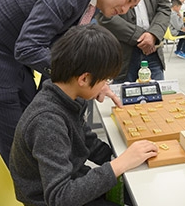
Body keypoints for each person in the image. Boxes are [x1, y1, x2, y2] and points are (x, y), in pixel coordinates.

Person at [0, 0, 144, 166]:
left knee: (33, 123)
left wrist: (90, 83)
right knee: (16, 145)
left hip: (11, 57)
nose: (125, 10)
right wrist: (81, 81)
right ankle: (32, 192)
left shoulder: (89, 3)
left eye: (132, 7)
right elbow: (28, 47)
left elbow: (56, 55)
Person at [9, 24, 158, 206]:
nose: (105, 85)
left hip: (73, 183)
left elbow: (86, 141)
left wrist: (123, 156)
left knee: (141, 189)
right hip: (52, 199)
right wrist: (119, 165)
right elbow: (60, 197)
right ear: (84, 79)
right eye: (105, 79)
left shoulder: (67, 98)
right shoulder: (47, 121)